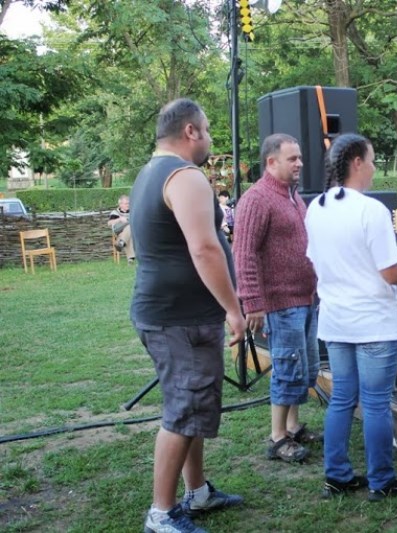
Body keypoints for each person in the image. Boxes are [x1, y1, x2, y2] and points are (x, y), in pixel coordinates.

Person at [305, 133, 397, 501]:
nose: (373, 167)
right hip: (372, 324)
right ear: (356, 163)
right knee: (376, 402)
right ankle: (381, 481)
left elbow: (316, 262)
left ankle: (337, 476)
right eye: (370, 160)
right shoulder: (371, 210)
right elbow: (391, 273)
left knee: (342, 399)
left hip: (335, 320)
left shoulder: (316, 207)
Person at [130, 98, 246, 533]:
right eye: (208, 129)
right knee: (183, 409)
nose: (211, 138)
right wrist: (233, 309)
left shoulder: (149, 172)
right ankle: (161, 514)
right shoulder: (184, 176)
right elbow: (204, 248)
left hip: (172, 314)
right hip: (178, 319)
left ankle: (196, 492)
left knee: (191, 405)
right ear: (191, 131)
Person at [233, 133, 320, 464]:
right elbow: (243, 254)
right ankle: (277, 437)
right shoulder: (257, 199)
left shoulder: (292, 196)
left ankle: (293, 427)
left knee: (303, 367)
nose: (300, 163)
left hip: (305, 298)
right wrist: (253, 303)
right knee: (286, 368)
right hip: (280, 303)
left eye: (299, 157)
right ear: (271, 162)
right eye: (292, 158)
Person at [109, 195, 135, 264]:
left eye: (129, 203)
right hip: (118, 230)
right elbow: (109, 223)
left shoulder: (132, 211)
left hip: (128, 233)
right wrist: (120, 219)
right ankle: (121, 242)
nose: (128, 205)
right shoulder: (115, 212)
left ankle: (121, 243)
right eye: (126, 203)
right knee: (129, 226)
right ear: (120, 204)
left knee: (129, 232)